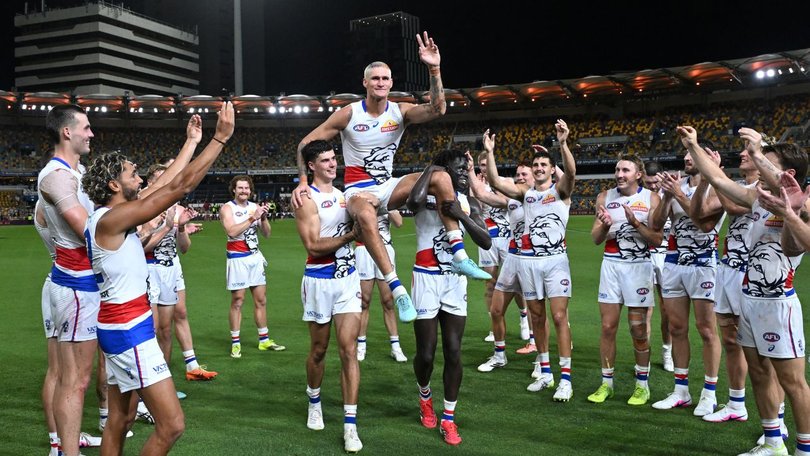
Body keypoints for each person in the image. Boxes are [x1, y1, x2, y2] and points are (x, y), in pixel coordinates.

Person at [293, 31, 491, 326]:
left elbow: (438, 108)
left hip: (387, 184)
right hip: (358, 189)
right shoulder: (349, 114)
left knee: (439, 175)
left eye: (385, 79)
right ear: (365, 83)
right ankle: (397, 288)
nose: (381, 83)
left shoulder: (399, 112)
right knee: (365, 216)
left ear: (391, 83)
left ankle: (459, 255)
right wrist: (302, 181)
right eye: (375, 79)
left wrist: (434, 69)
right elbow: (303, 145)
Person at [82, 101, 234, 456]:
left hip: (119, 326)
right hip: (129, 330)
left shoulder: (109, 215)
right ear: (112, 183)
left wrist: (192, 142)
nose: (141, 179)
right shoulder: (112, 219)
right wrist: (220, 139)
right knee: (172, 424)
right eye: (133, 173)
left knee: (121, 418)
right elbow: (178, 188)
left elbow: (164, 184)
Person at [682, 125, 809, 456]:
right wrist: (694, 147)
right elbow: (720, 181)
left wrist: (789, 212)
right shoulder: (757, 196)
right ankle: (772, 443)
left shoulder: (805, 203)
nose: (758, 168)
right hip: (749, 298)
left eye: (766, 163)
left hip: (779, 303)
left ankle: (805, 449)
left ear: (788, 173)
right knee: (758, 372)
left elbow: (803, 244)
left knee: (794, 383)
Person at [484, 121, 577, 401]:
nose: (538, 168)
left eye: (543, 165)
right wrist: (489, 152)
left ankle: (566, 379)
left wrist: (563, 144)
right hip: (528, 262)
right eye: (535, 164)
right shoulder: (526, 194)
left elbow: (571, 173)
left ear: (551, 169)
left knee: (559, 317)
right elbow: (494, 182)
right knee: (537, 317)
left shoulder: (560, 193)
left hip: (556, 262)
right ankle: (546, 373)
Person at [406, 148, 492, 446]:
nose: (462, 175)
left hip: (455, 281)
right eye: (456, 169)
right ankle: (425, 395)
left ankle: (449, 418)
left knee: (454, 350)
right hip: (426, 277)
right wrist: (431, 170)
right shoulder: (428, 195)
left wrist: (461, 216)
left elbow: (485, 239)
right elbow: (412, 203)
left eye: (464, 169)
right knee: (426, 354)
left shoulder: (470, 202)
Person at [37, 104, 100, 456]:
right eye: (86, 127)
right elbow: (86, 230)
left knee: (71, 378)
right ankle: (63, 448)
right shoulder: (55, 175)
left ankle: (65, 444)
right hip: (75, 284)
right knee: (71, 379)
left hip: (76, 281)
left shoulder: (77, 174)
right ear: (67, 132)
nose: (91, 133)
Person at [294, 140, 363, 453]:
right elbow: (313, 245)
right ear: (311, 166)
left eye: (334, 159)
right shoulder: (306, 199)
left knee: (349, 350)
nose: (332, 165)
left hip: (348, 280)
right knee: (320, 350)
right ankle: (314, 400)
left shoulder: (346, 195)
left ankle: (350, 425)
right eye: (324, 161)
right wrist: (350, 235)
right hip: (319, 281)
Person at [650, 141, 725, 416]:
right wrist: (668, 197)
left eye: (693, 153)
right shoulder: (675, 186)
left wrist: (678, 192)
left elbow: (704, 221)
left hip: (704, 262)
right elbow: (656, 225)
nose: (686, 157)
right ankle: (681, 390)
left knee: (707, 330)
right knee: (677, 328)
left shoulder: (719, 185)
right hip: (673, 262)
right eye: (686, 153)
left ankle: (709, 393)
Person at [691, 144, 759, 425]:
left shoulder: (765, 188)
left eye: (748, 151)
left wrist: (716, 174)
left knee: (762, 351)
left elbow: (732, 205)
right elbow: (702, 213)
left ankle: (776, 421)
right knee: (731, 340)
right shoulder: (738, 185)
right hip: (729, 270)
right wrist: (711, 180)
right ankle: (736, 402)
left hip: (754, 274)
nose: (741, 154)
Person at [586, 155, 662, 406]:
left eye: (625, 170)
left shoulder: (650, 198)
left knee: (638, 330)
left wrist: (635, 223)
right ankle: (606, 384)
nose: (619, 174)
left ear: (638, 174)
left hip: (638, 267)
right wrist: (605, 226)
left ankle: (642, 386)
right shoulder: (604, 198)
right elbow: (595, 239)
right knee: (608, 327)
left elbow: (657, 239)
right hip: (611, 266)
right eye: (617, 169)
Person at [34, 201, 103, 454]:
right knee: (67, 375)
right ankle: (61, 445)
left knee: (59, 371)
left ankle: (60, 442)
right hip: (70, 283)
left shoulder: (47, 202)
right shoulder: (58, 200)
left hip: (56, 282)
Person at [143, 161, 217, 381]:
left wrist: (182, 227)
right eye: (159, 178)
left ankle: (164, 379)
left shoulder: (175, 207)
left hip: (170, 267)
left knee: (166, 328)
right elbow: (140, 248)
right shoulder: (143, 207)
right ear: (150, 182)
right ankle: (147, 381)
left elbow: (184, 248)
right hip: (149, 270)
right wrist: (166, 226)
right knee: (152, 329)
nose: (165, 183)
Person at [473, 155, 541, 374]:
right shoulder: (511, 200)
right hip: (513, 257)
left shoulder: (545, 197)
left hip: (534, 259)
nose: (519, 177)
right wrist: (470, 170)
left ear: (535, 176)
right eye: (518, 174)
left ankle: (542, 360)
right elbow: (484, 193)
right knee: (496, 309)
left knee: (538, 311)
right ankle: (499, 355)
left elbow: (568, 179)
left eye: (524, 174)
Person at [221, 175, 285, 358]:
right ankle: (235, 342)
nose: (243, 191)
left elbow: (266, 234)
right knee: (238, 301)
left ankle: (264, 340)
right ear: (234, 189)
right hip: (237, 258)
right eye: (240, 188)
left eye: (246, 188)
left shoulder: (255, 207)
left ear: (251, 190)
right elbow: (231, 232)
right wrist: (251, 219)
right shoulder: (228, 208)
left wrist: (263, 218)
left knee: (261, 300)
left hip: (255, 257)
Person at [355, 210, 407, 363]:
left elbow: (399, 222)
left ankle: (396, 347)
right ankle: (361, 346)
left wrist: (386, 205)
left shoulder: (386, 195)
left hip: (385, 248)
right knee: (364, 301)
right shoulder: (359, 195)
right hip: (363, 249)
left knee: (388, 301)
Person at [642, 161, 674, 372]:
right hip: (644, 255)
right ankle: (644, 355)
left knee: (667, 309)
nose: (653, 186)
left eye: (655, 182)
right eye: (649, 182)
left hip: (665, 256)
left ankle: (667, 352)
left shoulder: (668, 195)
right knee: (644, 310)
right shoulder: (639, 196)